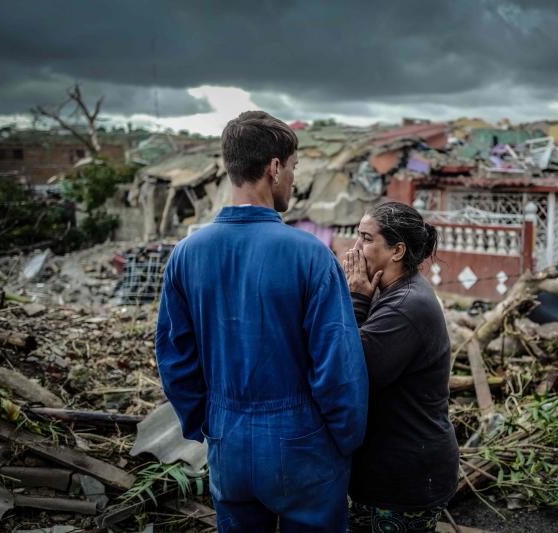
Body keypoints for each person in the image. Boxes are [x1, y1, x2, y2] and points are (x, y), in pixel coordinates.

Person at [155, 111, 368, 532]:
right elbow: (338, 369)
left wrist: (208, 424)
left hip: (226, 442)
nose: (293, 180)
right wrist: (345, 441)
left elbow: (175, 358)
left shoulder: (186, 255)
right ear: (274, 168)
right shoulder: (309, 256)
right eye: (293, 168)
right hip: (301, 443)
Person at [341, 201, 459, 532]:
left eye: (366, 238)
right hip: (393, 468)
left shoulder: (406, 306)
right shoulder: (390, 293)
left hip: (403, 477)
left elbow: (352, 372)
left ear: (397, 251)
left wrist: (356, 300)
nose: (355, 248)